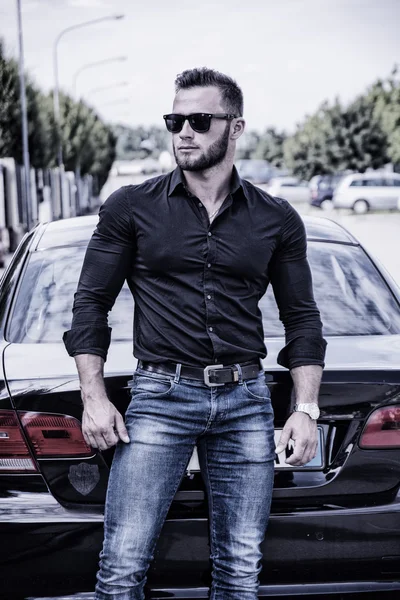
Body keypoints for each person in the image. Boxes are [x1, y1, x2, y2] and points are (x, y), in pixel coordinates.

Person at [63, 67, 327, 600]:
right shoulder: (130, 207)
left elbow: (302, 318)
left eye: (199, 120)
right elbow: (91, 303)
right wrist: (93, 398)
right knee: (121, 568)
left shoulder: (277, 219)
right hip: (160, 397)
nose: (183, 131)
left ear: (235, 128)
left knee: (239, 572)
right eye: (174, 120)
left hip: (247, 401)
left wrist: (306, 407)